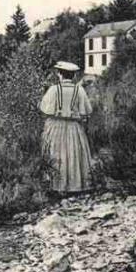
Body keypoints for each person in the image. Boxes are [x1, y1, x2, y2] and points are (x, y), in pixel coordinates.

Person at [38, 61, 93, 193]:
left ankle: (55, 186)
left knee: (56, 154)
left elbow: (44, 109)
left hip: (55, 126)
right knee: (73, 154)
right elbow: (87, 110)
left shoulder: (53, 90)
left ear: (59, 74)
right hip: (74, 127)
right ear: (73, 76)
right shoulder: (79, 90)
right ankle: (75, 185)